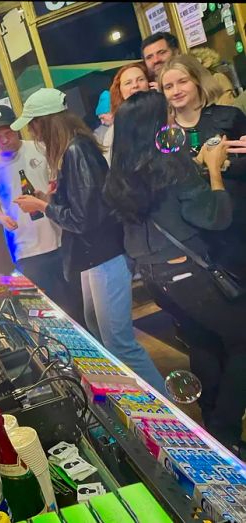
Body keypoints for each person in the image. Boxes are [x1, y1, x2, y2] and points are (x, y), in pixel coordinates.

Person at [104, 90, 245, 455]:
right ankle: (225, 433)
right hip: (190, 275)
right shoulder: (171, 165)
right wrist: (212, 168)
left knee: (204, 342)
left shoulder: (121, 174)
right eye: (165, 116)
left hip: (156, 281)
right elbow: (215, 216)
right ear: (154, 125)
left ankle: (213, 430)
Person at [11, 88, 166, 393]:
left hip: (104, 254)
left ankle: (172, 415)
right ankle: (138, 404)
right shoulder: (75, 149)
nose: (32, 131)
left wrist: (43, 206)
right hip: (94, 257)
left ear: (48, 122)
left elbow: (84, 219)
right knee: (100, 333)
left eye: (34, 124)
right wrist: (53, 197)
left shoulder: (76, 151)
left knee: (119, 343)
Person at [0, 104, 84, 325]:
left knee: (78, 303)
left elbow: (58, 183)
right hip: (26, 250)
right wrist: (2, 218)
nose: (4, 140)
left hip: (59, 238)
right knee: (49, 314)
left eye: (7, 133)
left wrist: (48, 195)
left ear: (16, 129)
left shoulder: (39, 148)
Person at [160, 54, 246, 278]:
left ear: (197, 80)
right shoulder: (166, 135)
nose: (176, 90)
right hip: (202, 229)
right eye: (168, 86)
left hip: (240, 214)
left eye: (182, 81)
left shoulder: (230, 116)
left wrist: (223, 165)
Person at [103, 62, 151, 162]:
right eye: (128, 83)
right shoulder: (113, 133)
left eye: (141, 79)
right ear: (120, 91)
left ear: (149, 84)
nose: (135, 85)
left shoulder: (166, 115)